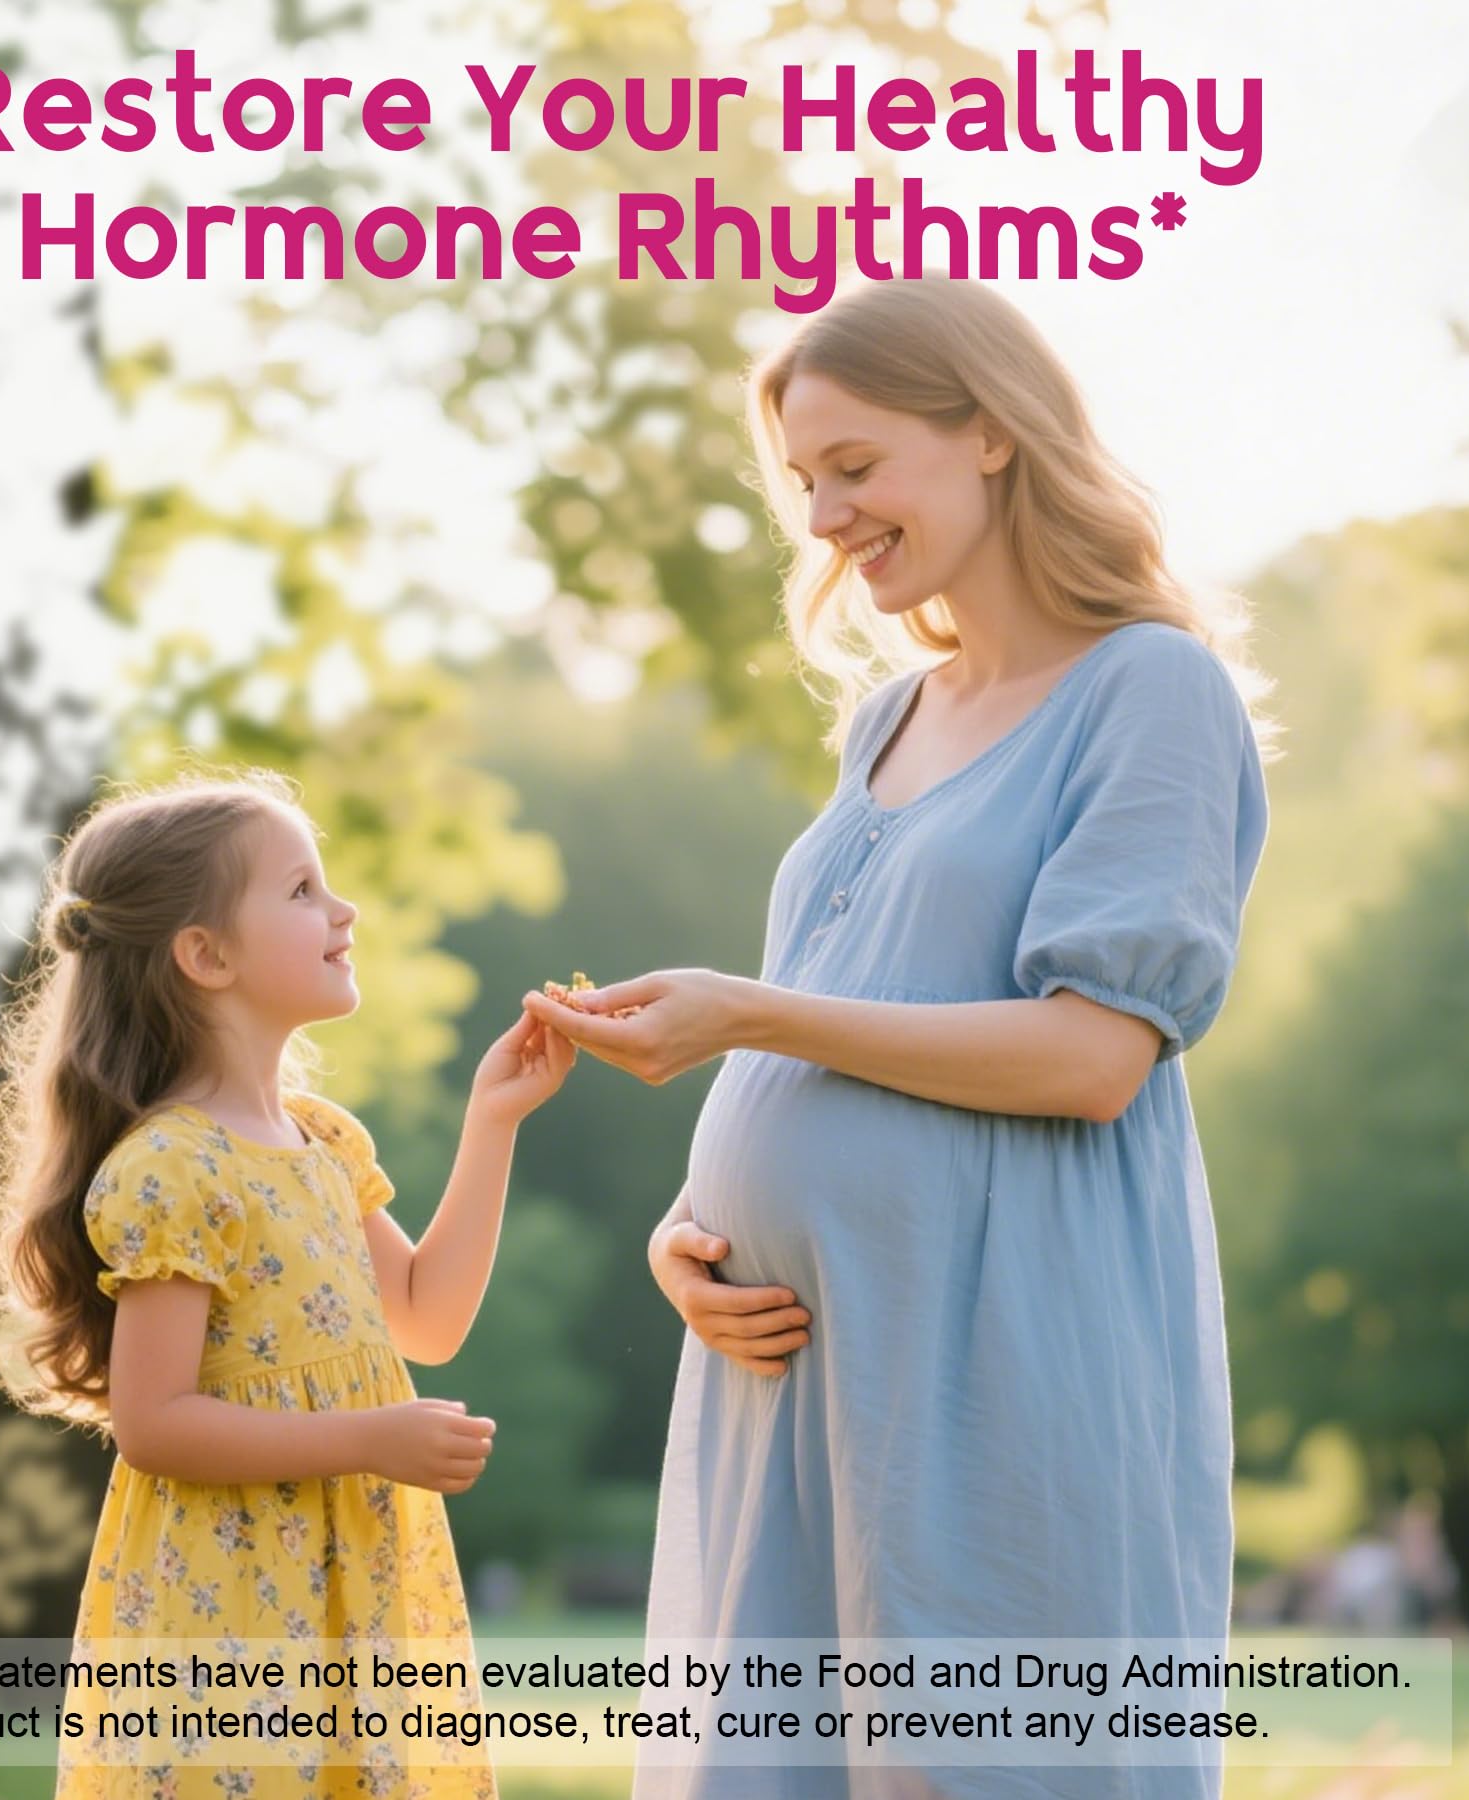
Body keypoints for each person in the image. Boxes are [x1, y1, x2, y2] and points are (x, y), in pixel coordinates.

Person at [524, 274, 1278, 1800]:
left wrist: (741, 1012)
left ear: (991, 435)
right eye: (805, 481)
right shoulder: (887, 719)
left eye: (856, 468)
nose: (822, 517)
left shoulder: (1152, 690)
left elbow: (1091, 1056)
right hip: (800, 1368)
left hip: (995, 1358)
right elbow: (843, 1022)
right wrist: (695, 1224)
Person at [0, 769, 574, 1798]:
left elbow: (426, 1316)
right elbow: (157, 1423)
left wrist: (493, 1120)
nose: (345, 910)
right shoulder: (173, 1168)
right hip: (234, 1601)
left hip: (347, 1585)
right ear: (205, 955)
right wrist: (368, 1438)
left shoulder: (322, 1141)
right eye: (301, 891)